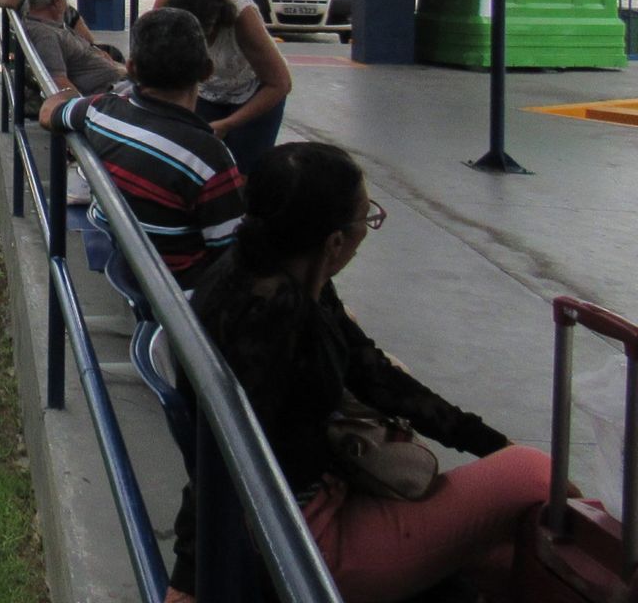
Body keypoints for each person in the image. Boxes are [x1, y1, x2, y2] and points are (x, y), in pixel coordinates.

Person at [165, 142, 557, 603]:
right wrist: (189, 579)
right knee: (534, 472)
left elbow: (372, 372)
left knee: (506, 555)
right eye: (367, 218)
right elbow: (223, 452)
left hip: (300, 512)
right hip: (303, 545)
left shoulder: (272, 270)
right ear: (334, 241)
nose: (368, 229)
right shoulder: (272, 318)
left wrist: (487, 441)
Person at [39, 7, 243, 290]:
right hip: (179, 297)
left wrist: (63, 94)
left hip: (124, 268)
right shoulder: (210, 158)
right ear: (207, 71)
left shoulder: (99, 111)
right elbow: (232, 257)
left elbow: (48, 113)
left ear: (132, 68)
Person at [156, 0, 292, 175]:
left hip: (253, 91)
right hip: (206, 91)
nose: (203, 41)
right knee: (199, 166)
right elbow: (158, 60)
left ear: (218, 20)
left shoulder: (242, 17)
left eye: (207, 33)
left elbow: (280, 84)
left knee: (246, 172)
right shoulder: (165, 5)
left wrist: (228, 124)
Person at [21, 0, 125, 94]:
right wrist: (82, 106)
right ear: (57, 1)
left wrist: (97, 52)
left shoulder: (47, 25)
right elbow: (58, 82)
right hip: (112, 92)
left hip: (119, 82)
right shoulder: (45, 36)